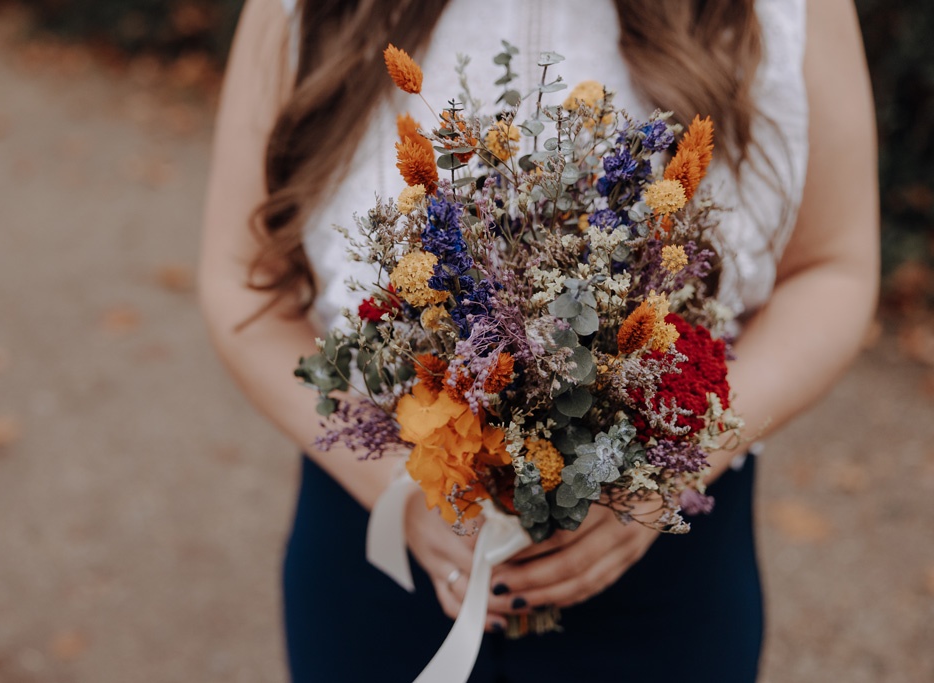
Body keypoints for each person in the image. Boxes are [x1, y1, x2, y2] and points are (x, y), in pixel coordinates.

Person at [198, 0, 878, 680]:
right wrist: (392, 489)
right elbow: (239, 280)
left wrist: (669, 473)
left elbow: (834, 267)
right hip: (375, 564)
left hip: (662, 581)